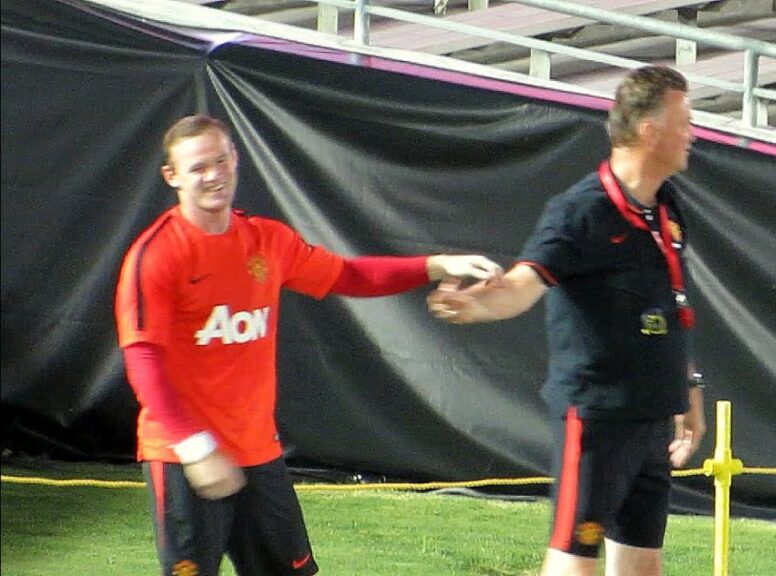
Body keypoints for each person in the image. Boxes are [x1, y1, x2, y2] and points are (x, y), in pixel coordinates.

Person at [114, 114, 502, 576]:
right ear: (172, 176)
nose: (214, 174)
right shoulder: (156, 255)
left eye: (221, 160)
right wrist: (195, 447)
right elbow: (142, 360)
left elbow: (349, 276)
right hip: (182, 457)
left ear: (236, 159)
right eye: (198, 167)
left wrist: (436, 265)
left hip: (258, 451)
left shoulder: (267, 241)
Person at [427, 66, 706, 576]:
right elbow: (522, 285)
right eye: (685, 121)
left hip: (651, 420)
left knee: (643, 564)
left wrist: (687, 388)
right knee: (574, 561)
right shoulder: (581, 211)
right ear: (649, 131)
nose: (694, 134)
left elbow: (671, 305)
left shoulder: (666, 206)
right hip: (598, 422)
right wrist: (476, 305)